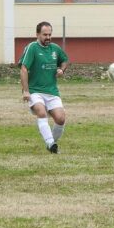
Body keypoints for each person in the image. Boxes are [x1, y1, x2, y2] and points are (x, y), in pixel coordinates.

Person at [18, 21, 69, 154]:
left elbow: (64, 60)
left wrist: (62, 70)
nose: (48, 37)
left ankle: (51, 144)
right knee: (41, 112)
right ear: (37, 34)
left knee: (61, 118)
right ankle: (50, 143)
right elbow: (23, 69)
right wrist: (26, 91)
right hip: (35, 91)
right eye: (45, 34)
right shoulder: (32, 48)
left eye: (49, 34)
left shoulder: (55, 48)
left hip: (52, 91)